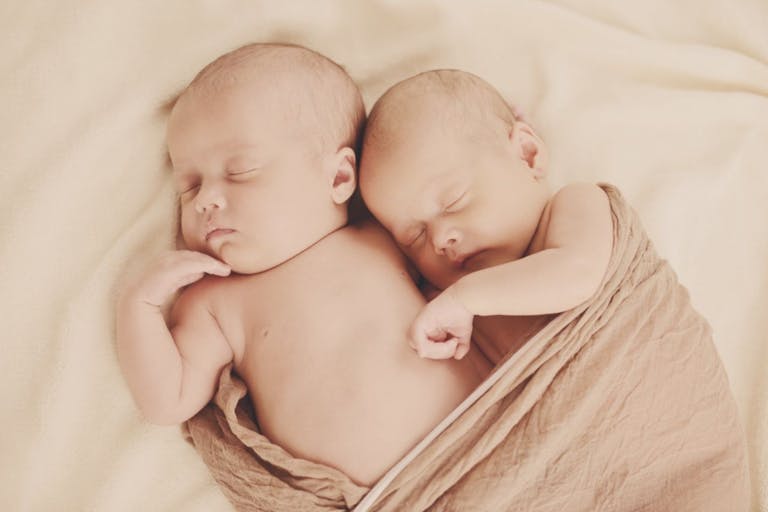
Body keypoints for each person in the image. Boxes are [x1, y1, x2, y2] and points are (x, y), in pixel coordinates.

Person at [115, 44, 490, 487]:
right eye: (189, 186)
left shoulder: (382, 236)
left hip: (492, 433)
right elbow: (168, 401)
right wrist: (137, 307)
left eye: (240, 171)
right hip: (393, 497)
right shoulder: (212, 301)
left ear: (338, 178)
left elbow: (475, 280)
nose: (205, 200)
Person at [358, 69, 614, 364]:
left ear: (527, 154)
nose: (440, 239)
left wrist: (464, 299)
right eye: (414, 236)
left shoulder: (577, 202)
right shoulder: (459, 313)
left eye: (453, 201)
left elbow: (578, 275)